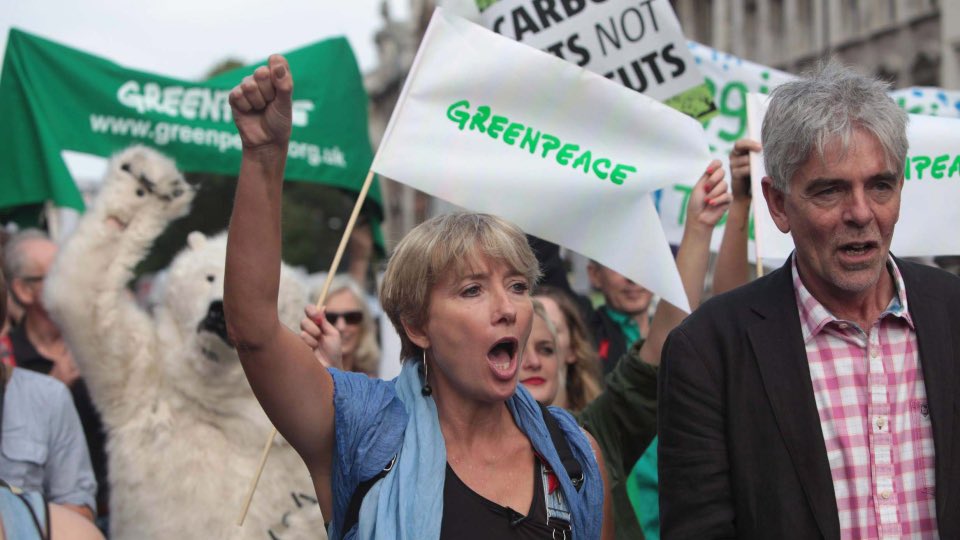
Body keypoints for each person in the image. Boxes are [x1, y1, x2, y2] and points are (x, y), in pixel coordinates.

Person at [223, 55, 611, 539]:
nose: (507, 307)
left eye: (516, 286)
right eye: (472, 289)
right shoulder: (363, 430)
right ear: (416, 325)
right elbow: (254, 331)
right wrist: (262, 155)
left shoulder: (575, 456)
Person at [658, 61, 960, 539]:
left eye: (880, 186)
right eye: (830, 191)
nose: (860, 213)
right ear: (777, 204)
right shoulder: (709, 352)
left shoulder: (953, 313)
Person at [2, 230, 108, 522]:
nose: (73, 280)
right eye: (59, 273)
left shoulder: (102, 347)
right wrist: (53, 385)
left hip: (107, 513)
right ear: (24, 291)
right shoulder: (10, 357)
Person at [527, 289, 602, 413]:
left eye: (552, 328)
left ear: (573, 347)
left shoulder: (596, 418)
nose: (534, 361)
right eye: (529, 328)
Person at [585, 261, 653, 373]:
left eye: (643, 265)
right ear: (595, 275)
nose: (633, 279)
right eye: (621, 266)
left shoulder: (676, 333)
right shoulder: (582, 336)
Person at [305, 275, 380, 376]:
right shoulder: (302, 378)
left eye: (351, 317)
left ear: (364, 323)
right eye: (330, 318)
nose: (341, 327)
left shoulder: (375, 384)